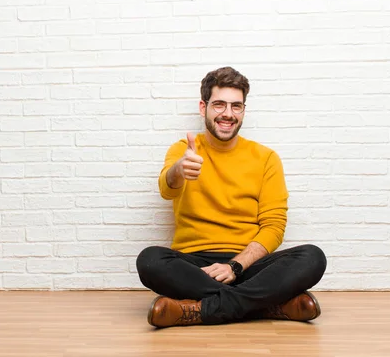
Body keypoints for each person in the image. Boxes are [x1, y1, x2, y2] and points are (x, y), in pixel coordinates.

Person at [136, 66, 327, 328]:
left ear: (243, 110)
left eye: (236, 106)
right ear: (203, 108)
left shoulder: (266, 158)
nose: (228, 113)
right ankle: (268, 305)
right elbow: (167, 188)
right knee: (150, 260)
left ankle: (196, 311)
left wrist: (235, 267)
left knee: (313, 257)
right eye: (219, 105)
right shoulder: (184, 150)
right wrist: (178, 170)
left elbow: (274, 226)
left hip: (248, 264)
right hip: (196, 266)